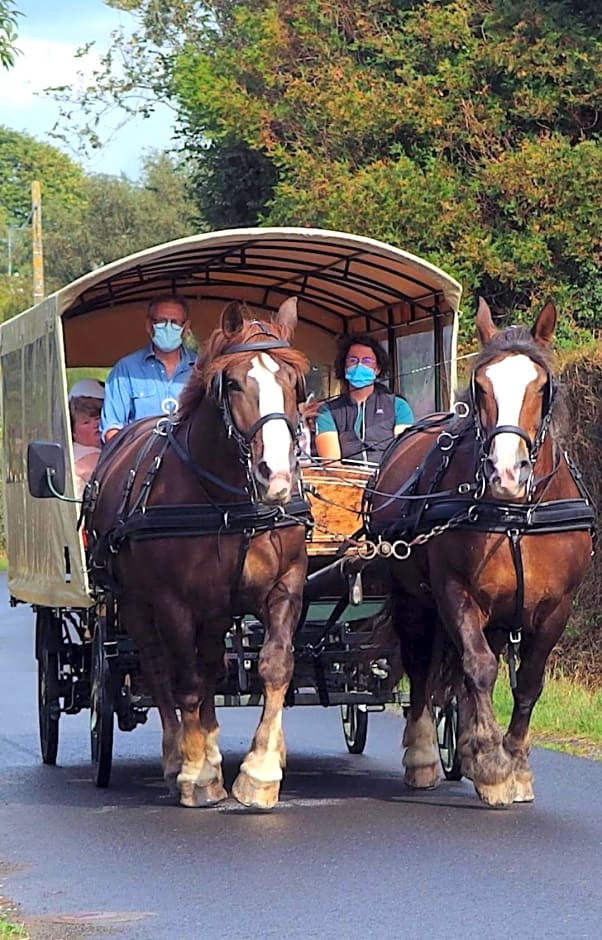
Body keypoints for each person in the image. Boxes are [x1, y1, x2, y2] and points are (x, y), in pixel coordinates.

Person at [100, 294, 196, 443]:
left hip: (190, 461)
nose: (168, 327)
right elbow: (112, 430)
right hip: (141, 462)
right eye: (161, 321)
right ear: (149, 325)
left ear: (186, 327)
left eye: (175, 322)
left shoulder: (202, 369)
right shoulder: (125, 371)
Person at [313, 334, 413, 464]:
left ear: (377, 369)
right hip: (345, 481)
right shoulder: (327, 411)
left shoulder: (398, 406)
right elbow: (332, 464)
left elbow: (403, 455)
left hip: (387, 480)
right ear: (344, 367)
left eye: (367, 361)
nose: (359, 365)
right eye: (353, 360)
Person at [69, 378, 105, 498]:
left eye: (99, 418)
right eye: (86, 422)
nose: (96, 425)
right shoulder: (87, 457)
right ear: (73, 430)